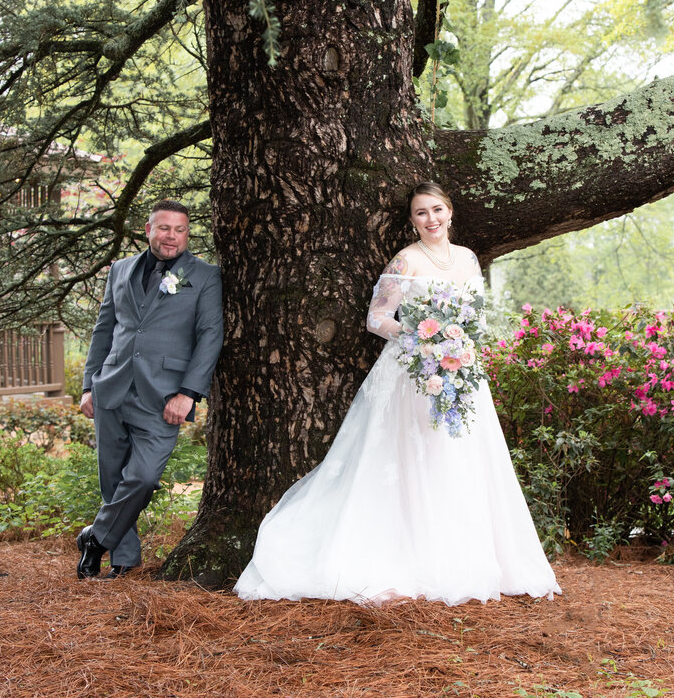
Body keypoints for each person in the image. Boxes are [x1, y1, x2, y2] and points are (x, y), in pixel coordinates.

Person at [234, 183, 560, 604]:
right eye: (421, 213)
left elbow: (475, 313)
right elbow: (377, 318)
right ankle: (409, 556)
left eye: (437, 209)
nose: (431, 219)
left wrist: (456, 345)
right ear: (412, 221)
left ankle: (465, 559)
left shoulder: (468, 259)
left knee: (461, 459)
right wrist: (421, 338)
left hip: (461, 371)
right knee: (411, 460)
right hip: (412, 371)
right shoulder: (405, 261)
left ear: (450, 211)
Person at [76, 200, 223, 579]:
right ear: (149, 229)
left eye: (180, 230)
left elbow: (210, 336)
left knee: (141, 477)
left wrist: (189, 392)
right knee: (112, 478)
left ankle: (97, 537)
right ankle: (123, 560)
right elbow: (104, 329)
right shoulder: (120, 270)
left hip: (163, 396)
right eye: (164, 228)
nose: (171, 236)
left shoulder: (204, 276)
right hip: (110, 388)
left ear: (187, 234)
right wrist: (88, 385)